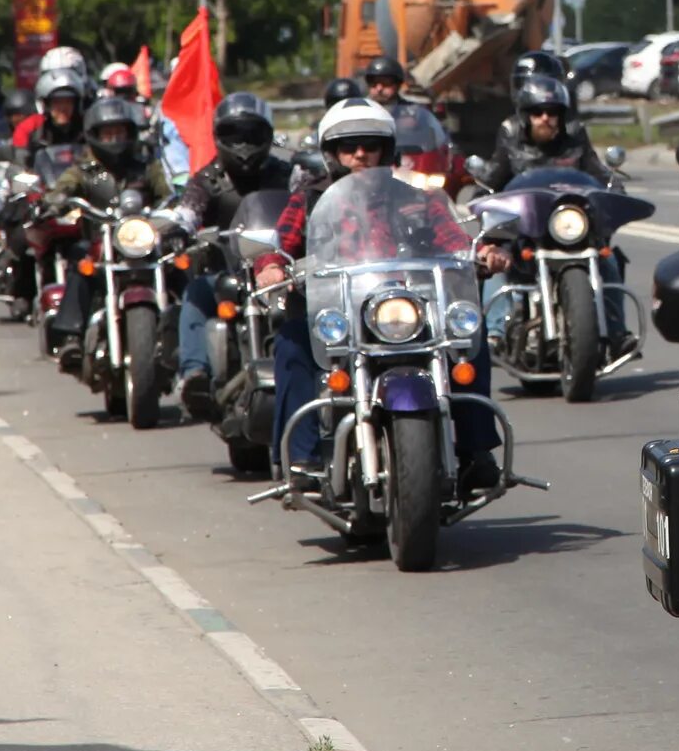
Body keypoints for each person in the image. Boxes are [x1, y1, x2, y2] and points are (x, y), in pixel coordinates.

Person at [252, 100, 504, 477]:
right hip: (335, 308)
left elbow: (453, 237)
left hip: (406, 306)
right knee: (291, 343)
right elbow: (278, 247)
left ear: (385, 150)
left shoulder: (416, 195)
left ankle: (476, 449)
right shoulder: (310, 198)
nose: (359, 154)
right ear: (333, 153)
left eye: (370, 145)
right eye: (349, 147)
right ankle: (301, 459)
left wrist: (481, 252)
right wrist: (270, 266)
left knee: (467, 339)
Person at [168, 92, 301, 419]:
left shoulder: (289, 172)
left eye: (251, 135)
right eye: (234, 136)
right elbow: (187, 211)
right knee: (196, 291)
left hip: (282, 267)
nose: (242, 144)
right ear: (218, 137)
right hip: (229, 269)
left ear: (268, 135)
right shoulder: (207, 179)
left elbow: (309, 201)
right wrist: (177, 229)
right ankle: (194, 374)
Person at [474, 69, 607, 193]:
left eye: (552, 112)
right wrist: (476, 206)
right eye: (537, 112)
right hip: (525, 211)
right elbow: (490, 181)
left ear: (560, 116)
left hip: (568, 211)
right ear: (526, 117)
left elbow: (600, 175)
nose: (545, 118)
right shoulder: (512, 134)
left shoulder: (574, 134)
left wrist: (620, 200)